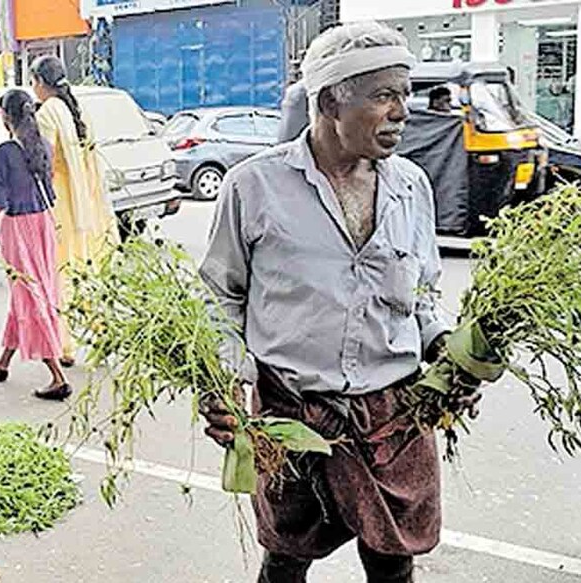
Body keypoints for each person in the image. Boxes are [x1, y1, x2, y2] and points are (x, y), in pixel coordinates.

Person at [199, 22, 469, 583]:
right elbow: (220, 294)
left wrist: (448, 349)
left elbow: (421, 298)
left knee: (395, 565)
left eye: (405, 93)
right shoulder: (254, 187)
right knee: (286, 560)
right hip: (292, 414)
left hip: (394, 418)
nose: (402, 111)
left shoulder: (412, 187)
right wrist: (223, 382)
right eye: (383, 95)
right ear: (329, 102)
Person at [29, 55, 119, 367]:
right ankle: (102, 330)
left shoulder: (47, 113)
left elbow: (46, 161)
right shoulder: (76, 109)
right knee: (85, 270)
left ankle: (64, 346)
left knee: (61, 273)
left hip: (62, 203)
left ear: (40, 83)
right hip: (87, 201)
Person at [0, 89, 70, 401]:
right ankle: (3, 361)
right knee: (31, 292)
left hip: (18, 227)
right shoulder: (42, 145)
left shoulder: (6, 151)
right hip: (43, 223)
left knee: (30, 296)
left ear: (5, 116)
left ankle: (57, 375)